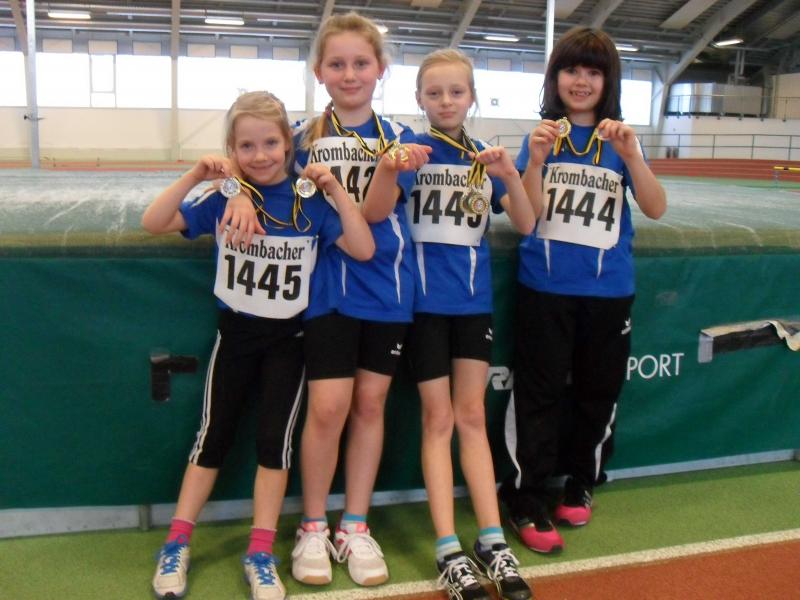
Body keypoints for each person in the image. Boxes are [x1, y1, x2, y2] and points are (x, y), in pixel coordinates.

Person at [220, 11, 430, 589]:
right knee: (328, 409)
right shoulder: (301, 136)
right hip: (323, 293)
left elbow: (380, 212)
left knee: (370, 406)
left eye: (361, 63)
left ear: (380, 69)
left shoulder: (403, 140)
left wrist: (387, 167)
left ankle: (354, 524)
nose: (350, 73)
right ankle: (313, 524)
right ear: (319, 71)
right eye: (337, 64)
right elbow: (246, 159)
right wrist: (237, 193)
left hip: (386, 289)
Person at [141, 90, 374, 600]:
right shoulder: (224, 198)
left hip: (288, 343)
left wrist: (336, 189)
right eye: (246, 146)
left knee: (274, 446)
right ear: (232, 148)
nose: (260, 154)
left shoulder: (309, 202)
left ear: (289, 143)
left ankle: (261, 552)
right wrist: (196, 176)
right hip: (236, 338)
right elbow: (153, 221)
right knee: (212, 438)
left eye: (271, 143)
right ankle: (176, 543)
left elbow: (362, 247)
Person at [500, 27, 667, 555]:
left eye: (593, 72)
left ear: (608, 81)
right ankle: (525, 493)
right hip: (545, 288)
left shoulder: (621, 141)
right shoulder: (540, 138)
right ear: (555, 78)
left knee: (599, 390)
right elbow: (528, 218)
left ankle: (581, 481)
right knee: (539, 391)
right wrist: (536, 162)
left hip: (609, 292)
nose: (581, 81)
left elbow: (656, 207)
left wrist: (633, 156)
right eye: (571, 70)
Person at [406, 48, 535, 600]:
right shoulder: (409, 152)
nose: (446, 101)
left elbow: (526, 222)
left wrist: (510, 174)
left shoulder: (486, 157)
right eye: (434, 93)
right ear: (419, 98)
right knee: (437, 420)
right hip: (422, 309)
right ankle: (447, 549)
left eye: (456, 92)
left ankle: (491, 540)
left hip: (473, 305)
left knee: (472, 418)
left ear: (472, 97)